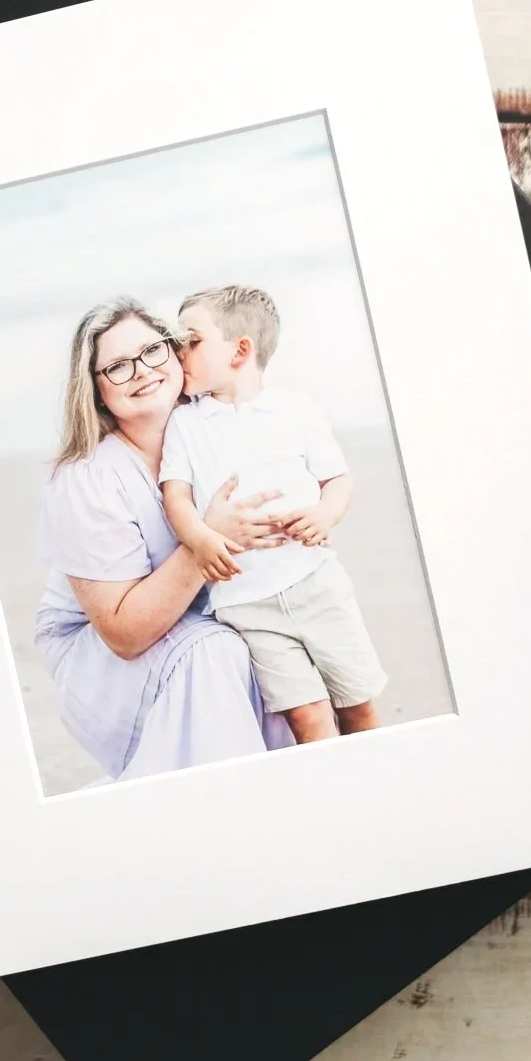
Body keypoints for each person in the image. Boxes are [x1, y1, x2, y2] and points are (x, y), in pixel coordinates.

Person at [34, 297, 294, 785]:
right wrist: (207, 539)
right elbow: (124, 633)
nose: (141, 372)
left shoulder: (214, 423)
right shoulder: (86, 478)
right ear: (94, 391)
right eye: (116, 367)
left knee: (280, 643)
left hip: (201, 617)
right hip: (101, 653)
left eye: (152, 351)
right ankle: (225, 802)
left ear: (176, 354)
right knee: (215, 651)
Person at [158, 284, 388, 744]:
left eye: (192, 340)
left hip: (315, 583)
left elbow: (337, 480)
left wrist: (325, 514)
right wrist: (200, 539)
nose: (177, 351)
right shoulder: (185, 423)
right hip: (246, 604)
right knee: (309, 718)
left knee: (358, 704)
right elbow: (176, 496)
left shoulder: (295, 410)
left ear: (240, 350)